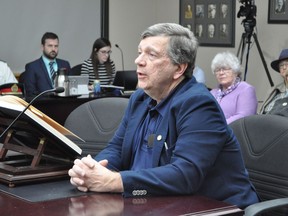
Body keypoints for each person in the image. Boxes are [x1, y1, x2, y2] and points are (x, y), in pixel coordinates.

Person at [68, 23, 259, 209]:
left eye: (151, 54)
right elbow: (117, 148)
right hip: (153, 203)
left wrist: (113, 181)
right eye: (139, 52)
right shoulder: (140, 98)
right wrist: (92, 170)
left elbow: (185, 175)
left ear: (179, 69)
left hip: (216, 208)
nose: (139, 61)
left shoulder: (198, 104)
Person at [210, 51, 258, 124]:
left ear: (235, 70)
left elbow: (244, 116)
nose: (221, 73)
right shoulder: (212, 93)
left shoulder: (246, 89)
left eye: (225, 69)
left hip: (233, 132)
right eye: (217, 70)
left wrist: (217, 126)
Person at [23, 32, 71, 97]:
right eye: (50, 46)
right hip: (43, 105)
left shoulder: (65, 64)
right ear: (42, 47)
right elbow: (31, 93)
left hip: (64, 104)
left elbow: (71, 88)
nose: (53, 49)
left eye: (56, 46)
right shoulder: (32, 67)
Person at [259, 49, 288, 115]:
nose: (284, 67)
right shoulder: (274, 91)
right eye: (281, 65)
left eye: (287, 64)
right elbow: (261, 112)